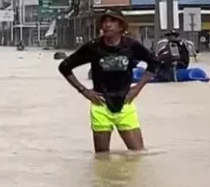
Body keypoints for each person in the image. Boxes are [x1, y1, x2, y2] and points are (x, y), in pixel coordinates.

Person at [57, 9, 161, 153]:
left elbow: (154, 62)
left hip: (125, 103)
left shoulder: (131, 46)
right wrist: (84, 91)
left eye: (112, 21)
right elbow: (65, 66)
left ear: (121, 26)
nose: (107, 25)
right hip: (100, 104)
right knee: (102, 159)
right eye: (104, 21)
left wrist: (138, 87)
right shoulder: (93, 47)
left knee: (138, 154)